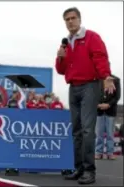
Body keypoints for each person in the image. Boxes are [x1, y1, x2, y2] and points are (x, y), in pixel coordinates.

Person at [55, 7, 115, 185]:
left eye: (73, 18)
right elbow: (61, 70)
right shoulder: (66, 43)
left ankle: (90, 171)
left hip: (90, 85)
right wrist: (60, 57)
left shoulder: (91, 37)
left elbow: (100, 57)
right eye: (67, 19)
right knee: (76, 131)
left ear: (79, 19)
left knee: (88, 130)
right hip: (73, 87)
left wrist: (106, 77)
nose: (70, 21)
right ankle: (79, 168)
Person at [95, 75, 120, 160]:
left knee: (110, 134)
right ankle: (98, 152)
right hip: (99, 110)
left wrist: (108, 104)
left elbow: (117, 96)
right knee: (99, 133)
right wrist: (97, 104)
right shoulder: (96, 79)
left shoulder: (116, 80)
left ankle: (110, 153)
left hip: (111, 111)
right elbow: (92, 94)